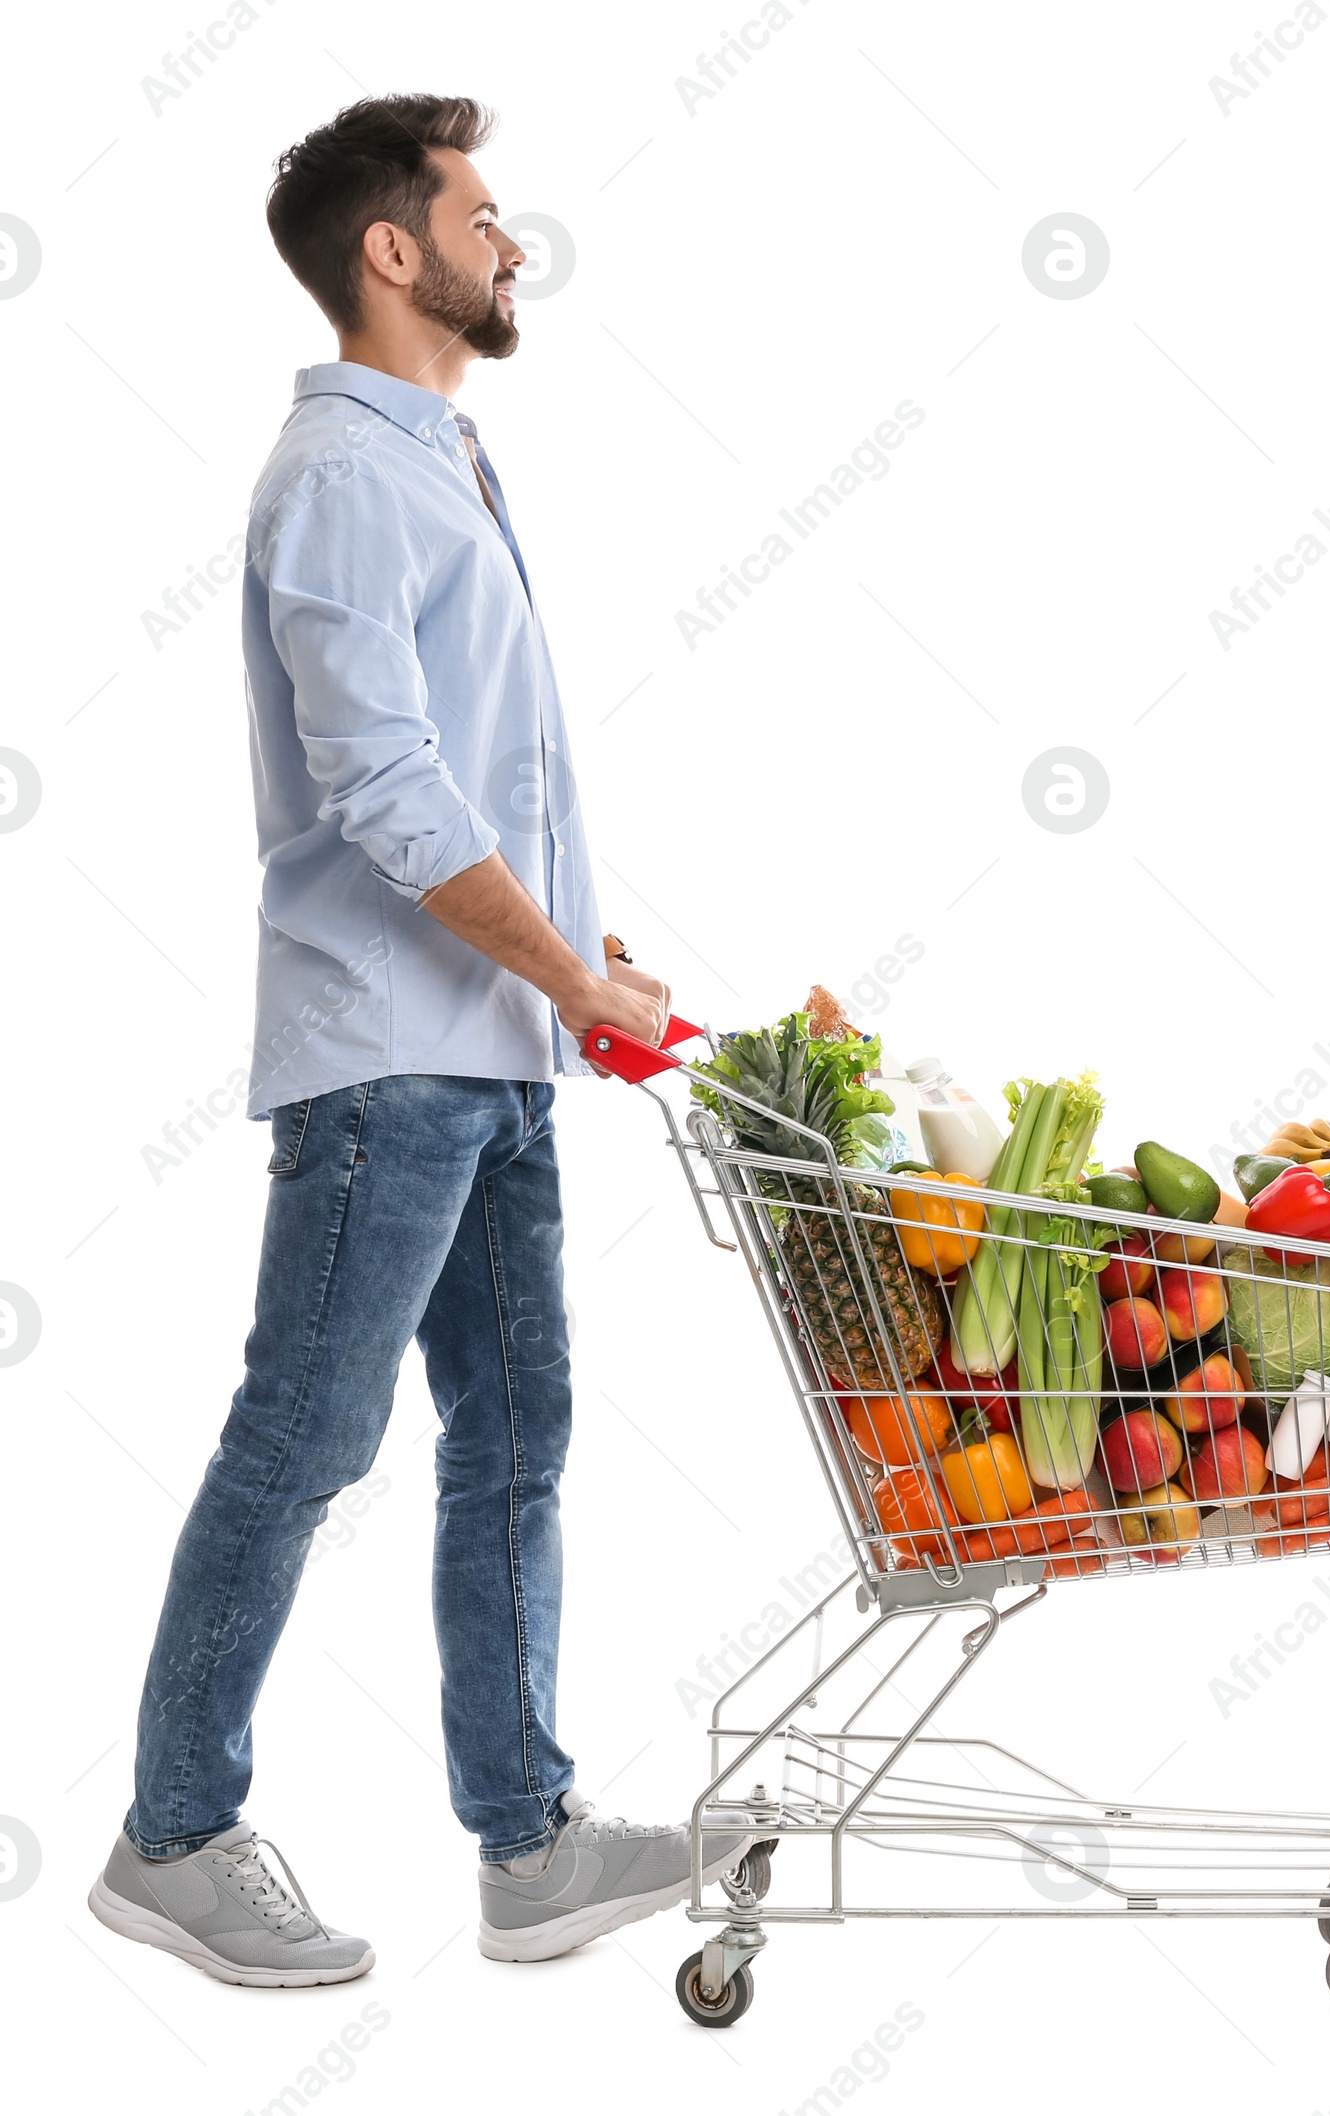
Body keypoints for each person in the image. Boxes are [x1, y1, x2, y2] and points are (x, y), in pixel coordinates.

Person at [88, 92, 751, 1987]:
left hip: (493, 1049)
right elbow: (380, 789)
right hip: (392, 1057)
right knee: (306, 1435)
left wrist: (565, 953)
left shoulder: (437, 456)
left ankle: (526, 1841)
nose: (509, 242)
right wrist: (561, 969)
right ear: (396, 251)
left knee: (517, 1434)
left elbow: (464, 770)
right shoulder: (346, 478)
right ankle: (171, 1834)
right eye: (480, 215)